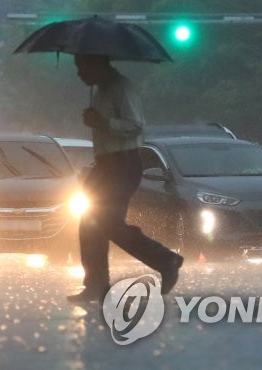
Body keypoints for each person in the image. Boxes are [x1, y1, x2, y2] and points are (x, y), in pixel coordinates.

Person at [67, 54, 184, 303]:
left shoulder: (122, 88)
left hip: (122, 162)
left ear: (96, 64)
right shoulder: (101, 91)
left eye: (81, 67)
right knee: (89, 224)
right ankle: (96, 284)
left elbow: (136, 125)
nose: (79, 74)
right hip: (104, 164)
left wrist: (103, 122)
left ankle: (165, 259)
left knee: (108, 223)